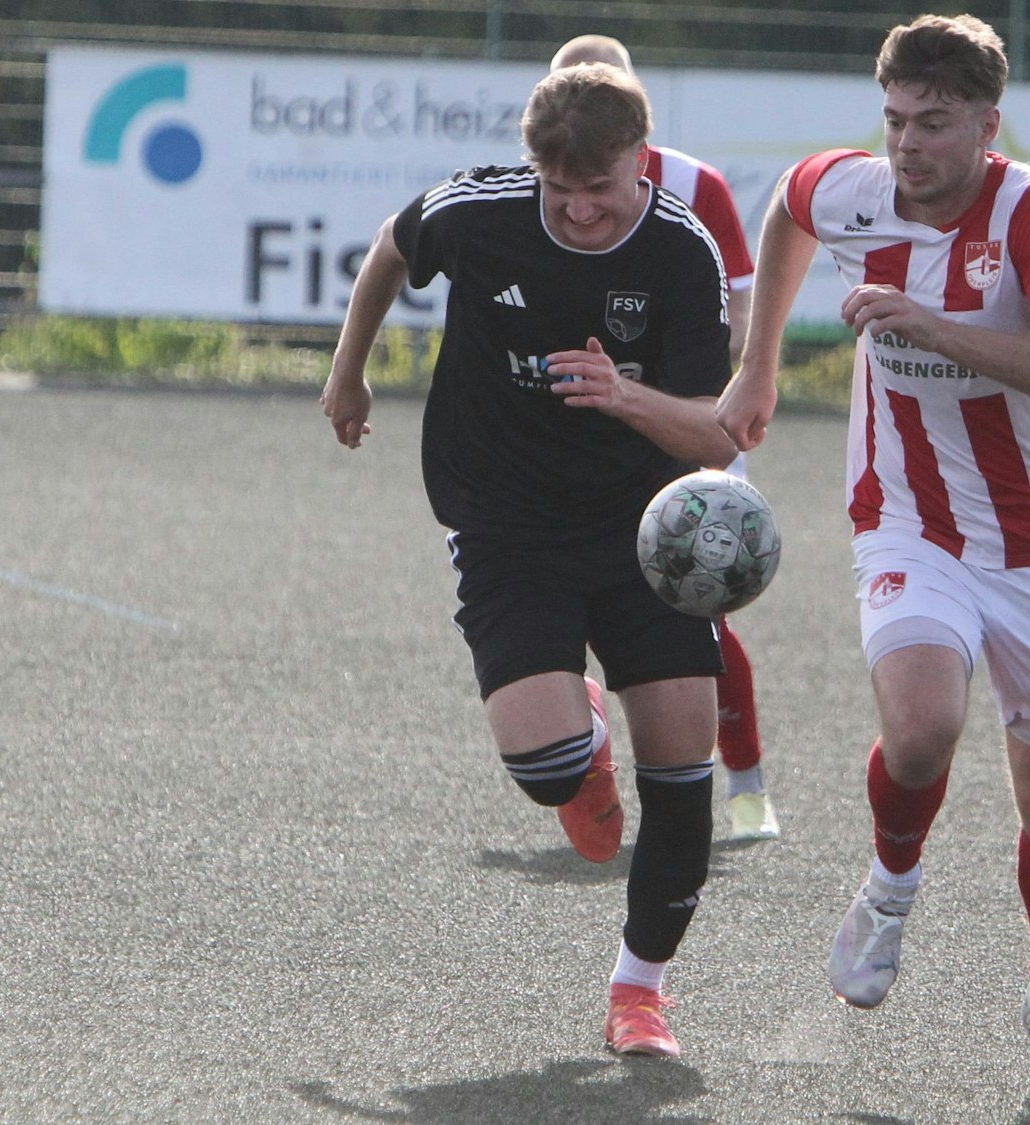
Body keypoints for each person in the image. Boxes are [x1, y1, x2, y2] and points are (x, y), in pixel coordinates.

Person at [715, 14, 1030, 1105]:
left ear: (988, 126)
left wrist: (935, 328)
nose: (907, 145)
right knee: (922, 725)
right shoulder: (850, 188)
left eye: (934, 124)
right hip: (907, 520)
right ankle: (890, 887)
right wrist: (756, 367)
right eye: (894, 119)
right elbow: (787, 209)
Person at [320, 62, 739, 1059]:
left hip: (647, 530)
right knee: (547, 765)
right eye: (561, 194)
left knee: (683, 768)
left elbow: (716, 439)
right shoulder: (477, 211)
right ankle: (579, 743)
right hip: (507, 523)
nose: (582, 214)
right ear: (535, 171)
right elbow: (390, 247)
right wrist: (349, 374)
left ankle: (640, 991)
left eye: (600, 192)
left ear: (640, 162)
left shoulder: (684, 252)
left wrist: (623, 396)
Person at [550, 34, 780, 841]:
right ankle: (585, 742)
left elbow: (744, 310)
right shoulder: (544, 187)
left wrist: (706, 410)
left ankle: (744, 780)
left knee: (701, 595)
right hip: (574, 431)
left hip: (683, 420)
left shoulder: (696, 187)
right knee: (559, 598)